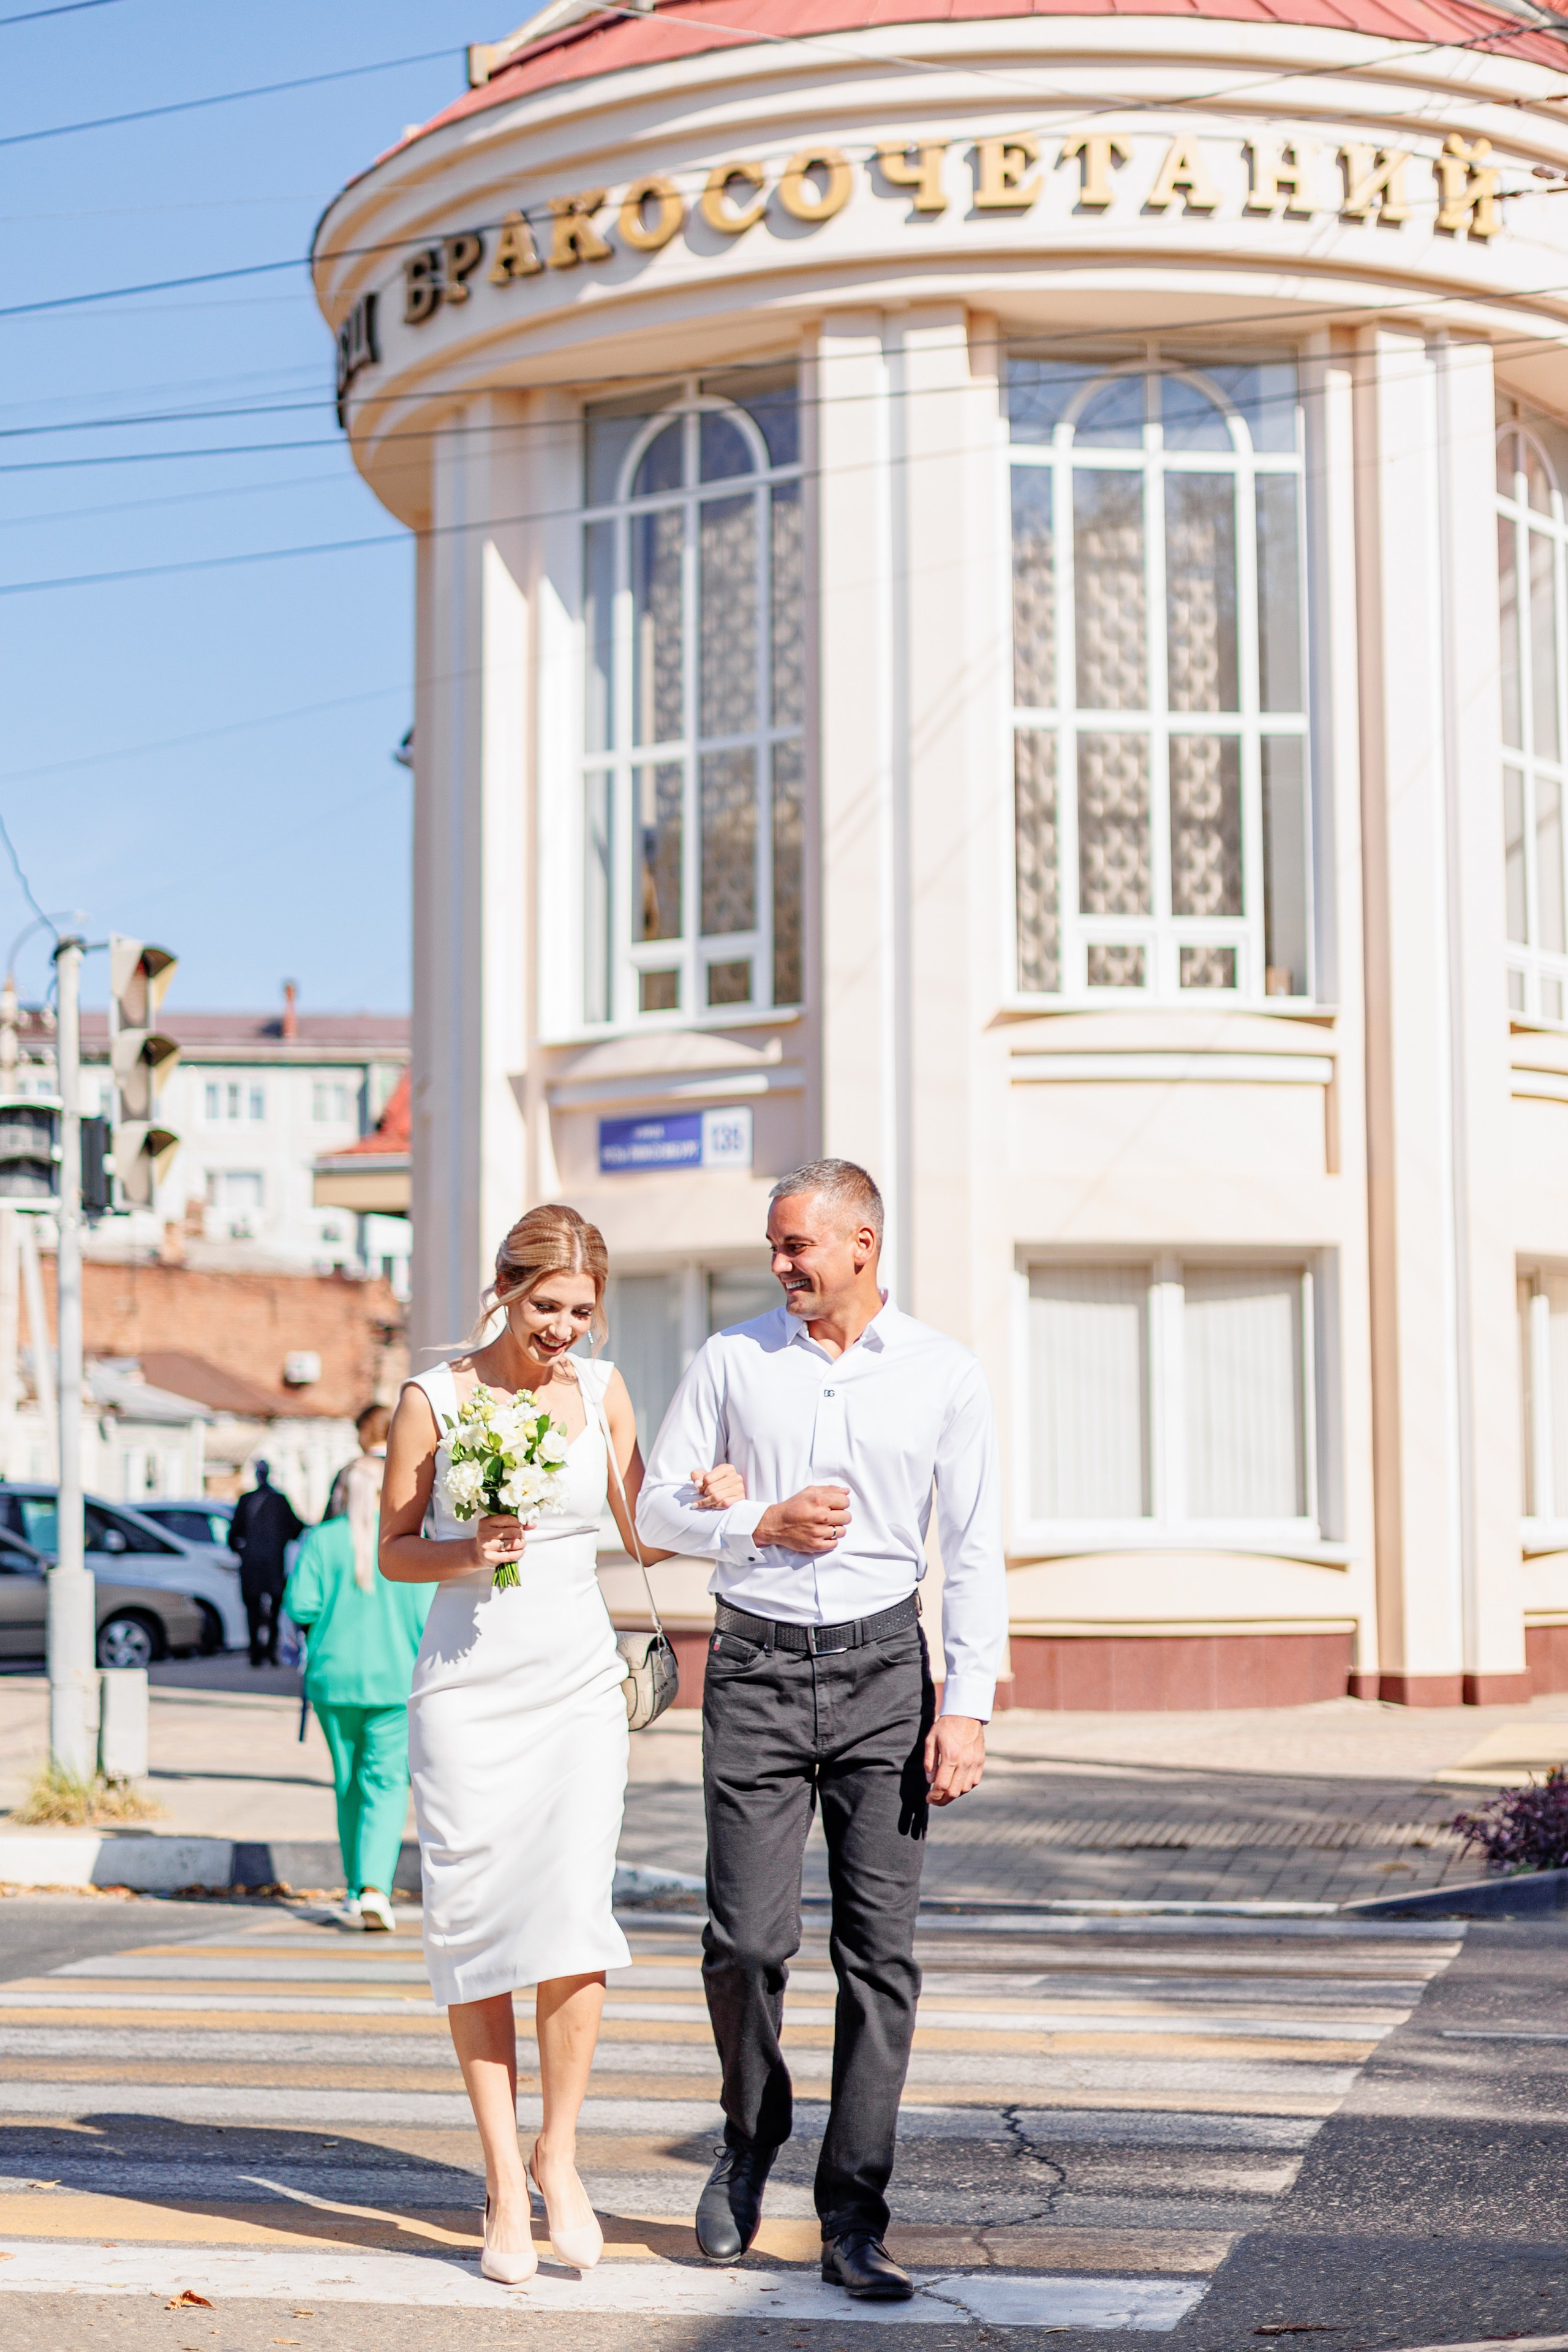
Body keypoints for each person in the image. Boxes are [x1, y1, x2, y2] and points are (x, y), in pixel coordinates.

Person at [636, 1158, 1007, 2304]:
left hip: (887, 1674)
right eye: (776, 1248)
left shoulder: (944, 1373)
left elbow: (977, 1548)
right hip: (750, 1665)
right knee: (745, 1943)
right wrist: (757, 1518)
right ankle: (750, 2141)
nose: (782, 1266)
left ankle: (853, 2215)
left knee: (877, 1957)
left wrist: (968, 1706)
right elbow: (651, 1510)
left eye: (799, 1245)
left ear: (862, 1244)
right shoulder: (732, 1360)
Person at [379, 1202, 744, 2287]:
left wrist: (710, 1502)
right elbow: (393, 1554)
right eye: (548, 1307)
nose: (566, 1331)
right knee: (477, 1927)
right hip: (466, 1694)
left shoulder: (604, 1391)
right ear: (505, 1288)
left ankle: (560, 2156)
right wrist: (466, 1546)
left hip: (579, 1689)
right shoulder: (431, 1398)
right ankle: (501, 2176)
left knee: (575, 1921)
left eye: (583, 1311)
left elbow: (638, 1533)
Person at [284, 1405, 429, 1934]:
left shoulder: (323, 1542)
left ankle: (353, 1886)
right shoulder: (409, 1548)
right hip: (395, 1677)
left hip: (332, 1679)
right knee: (386, 1783)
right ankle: (374, 1889)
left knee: (346, 1782)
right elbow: (427, 1612)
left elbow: (301, 1606)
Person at [228, 1460, 304, 1668]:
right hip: (273, 1564)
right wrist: (279, 1540)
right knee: (272, 1609)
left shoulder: (247, 1500)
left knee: (253, 1610)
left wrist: (244, 1551)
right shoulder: (279, 1501)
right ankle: (269, 1652)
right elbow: (297, 1528)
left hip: (252, 1565)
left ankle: (257, 1653)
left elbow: (233, 1535)